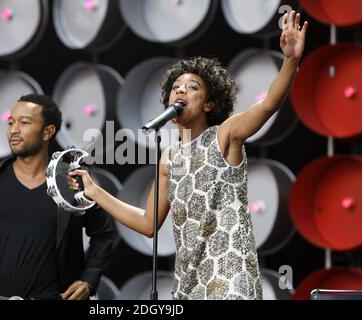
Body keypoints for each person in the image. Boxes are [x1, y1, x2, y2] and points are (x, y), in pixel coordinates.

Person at [69, 11, 308, 300]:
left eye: (192, 87)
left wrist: (291, 61)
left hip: (231, 278)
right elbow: (147, 223)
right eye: (175, 87)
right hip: (189, 284)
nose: (180, 89)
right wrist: (95, 191)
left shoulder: (225, 135)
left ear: (208, 104)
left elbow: (269, 105)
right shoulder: (169, 158)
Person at [0, 94, 116, 300]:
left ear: (47, 132)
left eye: (24, 123)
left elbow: (103, 235)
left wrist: (89, 280)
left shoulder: (71, 181)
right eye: (10, 122)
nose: (13, 130)